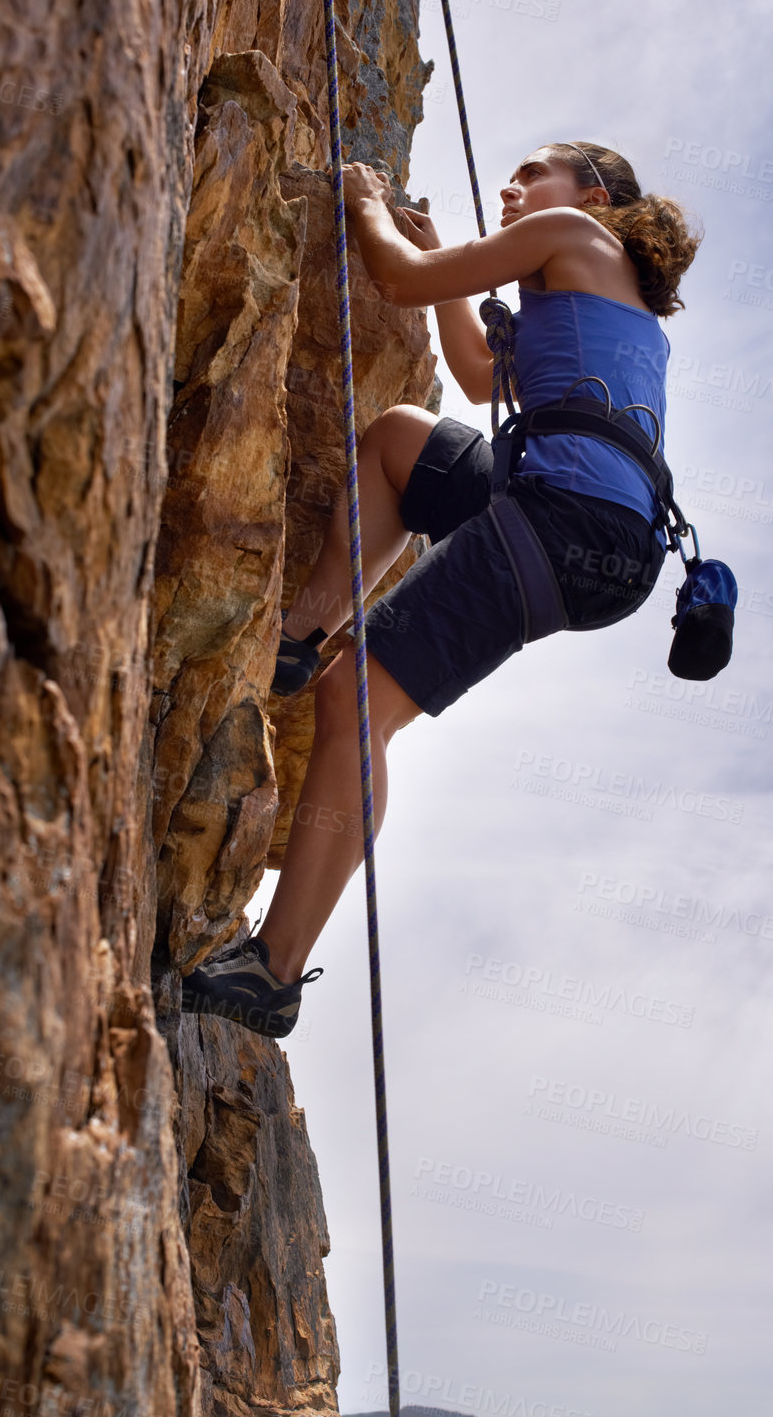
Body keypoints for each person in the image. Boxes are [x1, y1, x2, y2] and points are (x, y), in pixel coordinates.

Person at [180, 142, 701, 1036]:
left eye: (534, 172)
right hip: (599, 534)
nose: (513, 185)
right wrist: (450, 279)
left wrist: (362, 199)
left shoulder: (569, 233)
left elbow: (395, 276)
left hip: (562, 518)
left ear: (592, 195)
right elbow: (474, 379)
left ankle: (272, 967)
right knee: (399, 439)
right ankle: (299, 640)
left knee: (361, 700)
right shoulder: (599, 291)